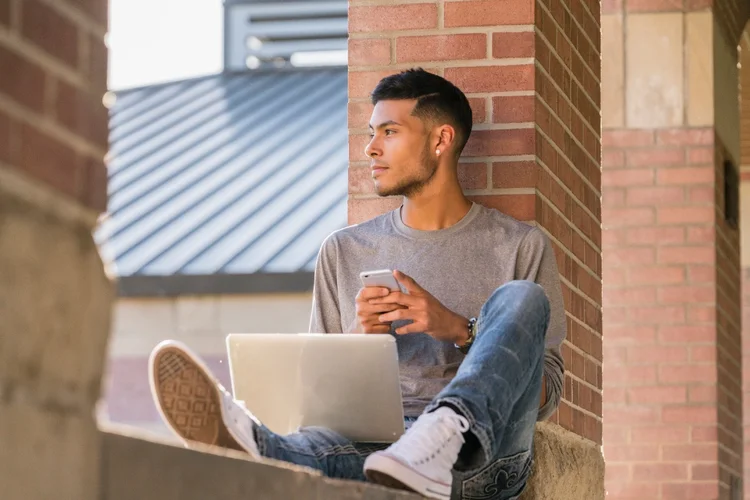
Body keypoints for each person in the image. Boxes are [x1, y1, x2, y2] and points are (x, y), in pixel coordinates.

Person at [148, 68, 566, 500]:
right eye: (371, 133)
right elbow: (317, 400)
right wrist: (360, 339)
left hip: (484, 457)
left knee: (521, 298)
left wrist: (460, 329)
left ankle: (445, 429)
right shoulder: (345, 251)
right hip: (379, 452)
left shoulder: (518, 246)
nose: (371, 148)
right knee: (314, 446)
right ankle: (254, 442)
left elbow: (544, 395)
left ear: (440, 140)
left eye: (389, 131)